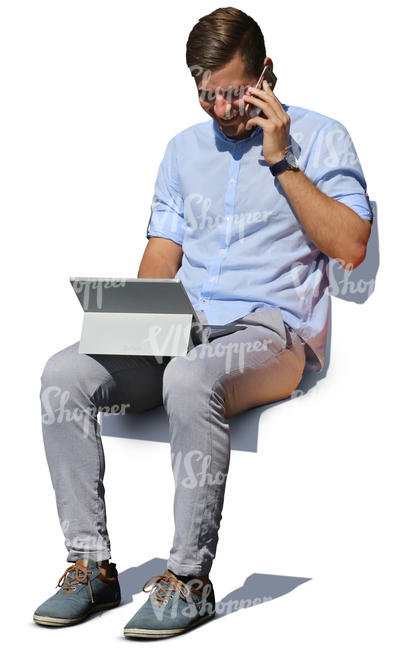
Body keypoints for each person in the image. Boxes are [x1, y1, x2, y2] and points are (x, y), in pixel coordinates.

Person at [33, 6, 372, 639]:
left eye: (235, 92)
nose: (221, 110)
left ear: (267, 73)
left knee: (190, 378)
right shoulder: (182, 151)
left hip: (271, 333)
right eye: (206, 95)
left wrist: (282, 161)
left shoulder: (324, 138)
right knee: (62, 373)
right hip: (184, 328)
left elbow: (350, 244)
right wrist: (130, 321)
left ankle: (188, 579)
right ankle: (91, 565)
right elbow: (164, 252)